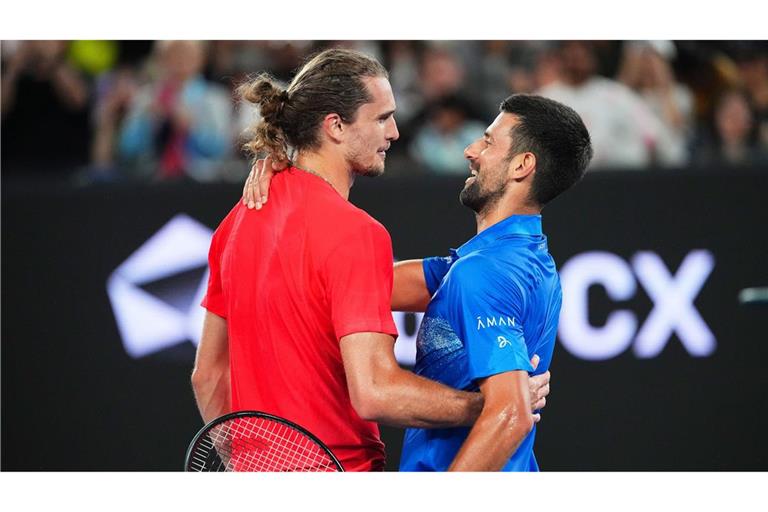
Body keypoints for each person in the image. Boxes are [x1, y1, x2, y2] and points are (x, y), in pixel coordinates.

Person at [192, 48, 550, 472]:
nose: (395, 132)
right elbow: (375, 390)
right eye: (381, 118)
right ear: (336, 126)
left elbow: (209, 376)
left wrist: (249, 463)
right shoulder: (356, 233)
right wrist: (487, 408)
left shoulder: (236, 224)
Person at [244, 91, 590, 470]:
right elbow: (354, 282)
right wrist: (292, 179)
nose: (470, 150)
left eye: (488, 141)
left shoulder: (484, 273)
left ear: (521, 165)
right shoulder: (510, 261)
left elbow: (513, 414)